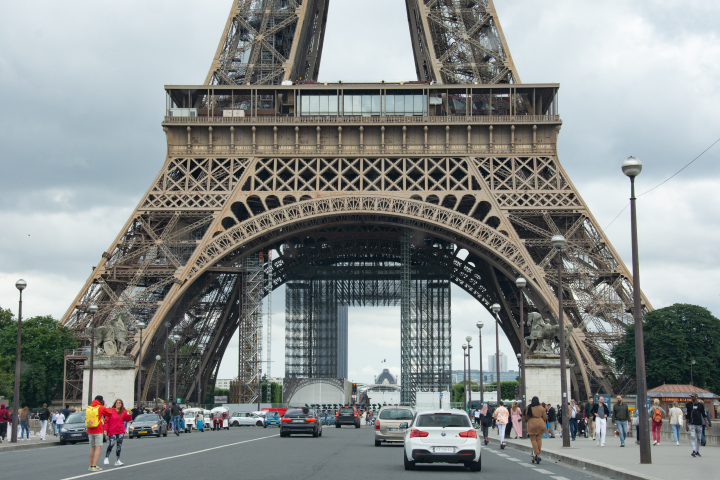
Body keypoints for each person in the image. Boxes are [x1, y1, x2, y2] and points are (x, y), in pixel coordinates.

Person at [86, 395, 114, 471]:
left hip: (89, 429)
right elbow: (110, 413)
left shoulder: (89, 407)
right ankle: (94, 466)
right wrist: (105, 406)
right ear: (101, 401)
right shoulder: (100, 408)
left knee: (92, 447)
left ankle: (91, 465)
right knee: (98, 447)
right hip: (97, 430)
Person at [103, 399, 132, 467]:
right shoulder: (110, 411)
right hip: (112, 430)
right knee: (111, 443)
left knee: (119, 445)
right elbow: (106, 421)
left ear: (121, 404)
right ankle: (106, 457)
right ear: (115, 404)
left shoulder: (123, 412)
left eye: (120, 403)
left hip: (120, 430)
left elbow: (127, 419)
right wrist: (105, 430)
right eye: (117, 403)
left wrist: (130, 415)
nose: (118, 404)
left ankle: (117, 460)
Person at [524, 396, 548, 465]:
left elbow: (526, 416)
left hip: (532, 423)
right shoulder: (542, 408)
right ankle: (538, 452)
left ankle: (536, 452)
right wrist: (541, 421)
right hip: (540, 423)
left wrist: (527, 421)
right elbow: (545, 417)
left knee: (533, 440)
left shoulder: (529, 407)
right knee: (539, 439)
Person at [686, 393, 710, 457]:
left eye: (692, 396)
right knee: (693, 436)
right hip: (692, 424)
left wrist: (706, 424)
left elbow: (704, 415)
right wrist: (686, 424)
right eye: (691, 396)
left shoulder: (701, 405)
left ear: (696, 397)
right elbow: (687, 415)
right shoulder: (688, 405)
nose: (691, 397)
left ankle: (697, 450)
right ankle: (693, 450)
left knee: (699, 438)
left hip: (699, 424)